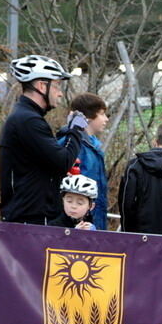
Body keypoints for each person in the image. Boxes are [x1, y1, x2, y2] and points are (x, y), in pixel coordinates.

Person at [0, 55, 85, 225]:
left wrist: (65, 133)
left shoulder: (27, 117)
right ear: (41, 86)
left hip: (30, 216)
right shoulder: (28, 120)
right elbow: (63, 161)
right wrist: (75, 131)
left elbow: (48, 162)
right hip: (30, 219)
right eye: (57, 86)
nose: (60, 93)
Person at [117, 122, 162, 235]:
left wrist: (127, 232)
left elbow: (126, 204)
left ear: (155, 142)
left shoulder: (135, 165)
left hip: (140, 235)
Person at [57, 93, 110, 230]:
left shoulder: (94, 146)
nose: (106, 119)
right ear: (88, 117)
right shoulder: (71, 144)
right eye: (102, 114)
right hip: (75, 226)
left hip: (93, 220)